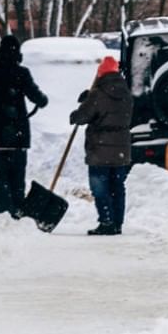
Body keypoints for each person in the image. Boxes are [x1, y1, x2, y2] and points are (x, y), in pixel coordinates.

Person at [0, 35, 49, 217]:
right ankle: (17, 211)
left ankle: (2, 212)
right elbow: (38, 98)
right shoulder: (21, 73)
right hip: (17, 137)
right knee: (17, 179)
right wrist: (42, 100)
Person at [70, 56, 133, 236]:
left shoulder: (98, 94)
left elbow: (82, 117)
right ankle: (117, 223)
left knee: (100, 187)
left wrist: (82, 106)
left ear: (101, 74)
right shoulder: (126, 94)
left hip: (100, 148)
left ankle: (106, 221)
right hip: (121, 148)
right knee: (117, 187)